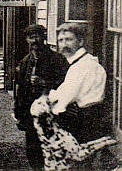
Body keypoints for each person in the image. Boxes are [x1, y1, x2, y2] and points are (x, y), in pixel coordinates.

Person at [48, 23, 109, 160]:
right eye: (60, 40)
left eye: (69, 40)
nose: (63, 44)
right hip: (83, 119)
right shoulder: (78, 64)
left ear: (80, 41)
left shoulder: (84, 66)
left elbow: (61, 101)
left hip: (86, 122)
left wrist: (48, 100)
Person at [14, 25, 68, 171]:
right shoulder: (26, 61)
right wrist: (19, 114)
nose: (34, 40)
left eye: (37, 36)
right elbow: (21, 90)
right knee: (33, 151)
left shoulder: (57, 59)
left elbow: (66, 84)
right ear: (27, 40)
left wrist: (45, 83)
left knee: (52, 149)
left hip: (52, 112)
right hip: (31, 114)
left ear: (43, 38)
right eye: (31, 37)